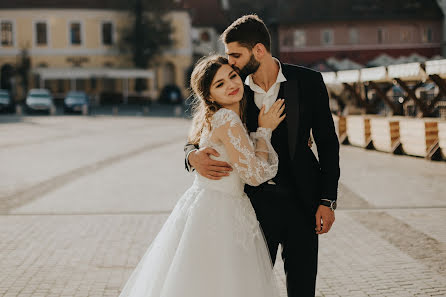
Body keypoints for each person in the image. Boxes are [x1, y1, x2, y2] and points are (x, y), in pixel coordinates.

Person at [184, 15, 340, 297]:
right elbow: (202, 130)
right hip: (253, 208)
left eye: (235, 55)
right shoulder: (233, 86)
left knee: (302, 289)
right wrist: (192, 156)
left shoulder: (307, 81)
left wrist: (327, 200)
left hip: (302, 204)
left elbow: (328, 144)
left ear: (258, 50)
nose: (230, 63)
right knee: (250, 290)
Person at [118, 55, 285, 297]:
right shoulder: (227, 118)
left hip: (208, 205)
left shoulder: (214, 116)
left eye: (232, 76)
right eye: (219, 84)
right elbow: (255, 175)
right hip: (221, 211)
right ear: (208, 96)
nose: (231, 85)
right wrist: (265, 131)